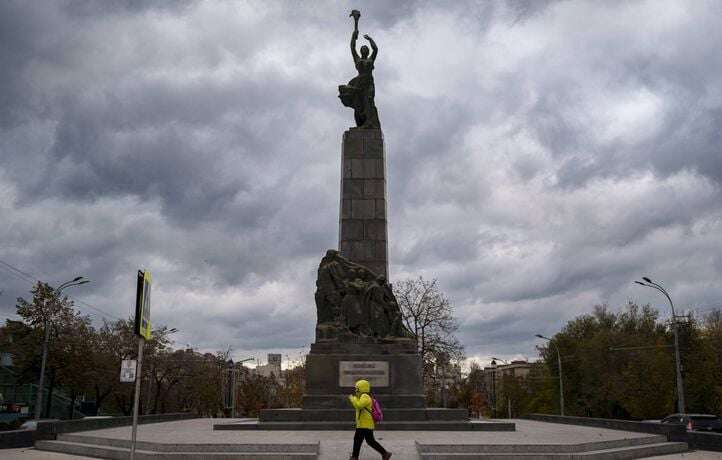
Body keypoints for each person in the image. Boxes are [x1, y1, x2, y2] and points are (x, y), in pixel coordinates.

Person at [347, 379, 391, 460]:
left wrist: (352, 398)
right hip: (364, 423)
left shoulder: (365, 396)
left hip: (364, 424)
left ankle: (354, 457)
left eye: (357, 388)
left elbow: (359, 405)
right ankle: (385, 453)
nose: (356, 390)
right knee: (369, 441)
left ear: (361, 388)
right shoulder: (364, 396)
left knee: (358, 440)